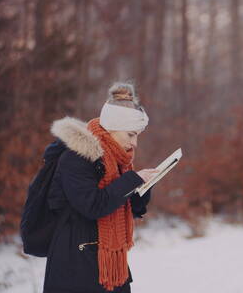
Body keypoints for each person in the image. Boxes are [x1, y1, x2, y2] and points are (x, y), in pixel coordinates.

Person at [43, 82, 159, 292]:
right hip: (76, 268)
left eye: (137, 136)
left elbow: (133, 207)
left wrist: (144, 185)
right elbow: (93, 205)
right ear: (113, 129)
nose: (135, 144)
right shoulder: (77, 157)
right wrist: (133, 179)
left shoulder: (119, 162)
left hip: (111, 269)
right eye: (131, 135)